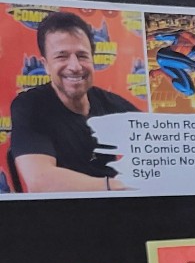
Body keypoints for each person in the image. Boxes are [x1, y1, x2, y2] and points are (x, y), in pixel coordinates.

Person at [9, 10, 137, 192]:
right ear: (46, 65)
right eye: (62, 56)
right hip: (61, 214)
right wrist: (115, 185)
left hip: (114, 211)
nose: (75, 66)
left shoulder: (110, 103)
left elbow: (157, 146)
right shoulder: (31, 106)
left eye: (82, 55)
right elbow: (40, 181)